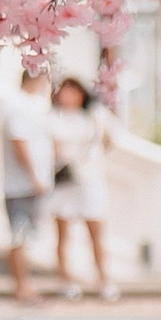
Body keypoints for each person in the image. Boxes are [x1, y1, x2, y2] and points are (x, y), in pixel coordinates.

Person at [43, 74, 117, 300]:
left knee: (95, 232)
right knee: (63, 234)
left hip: (89, 180)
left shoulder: (94, 116)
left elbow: (111, 138)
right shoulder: (52, 118)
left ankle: (104, 279)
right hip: (65, 183)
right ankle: (66, 280)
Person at [1, 79, 51, 304]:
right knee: (19, 236)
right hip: (20, 185)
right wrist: (33, 176)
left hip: (27, 185)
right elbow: (18, 142)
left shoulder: (32, 105)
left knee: (24, 236)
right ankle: (21, 286)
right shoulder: (17, 105)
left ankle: (24, 285)